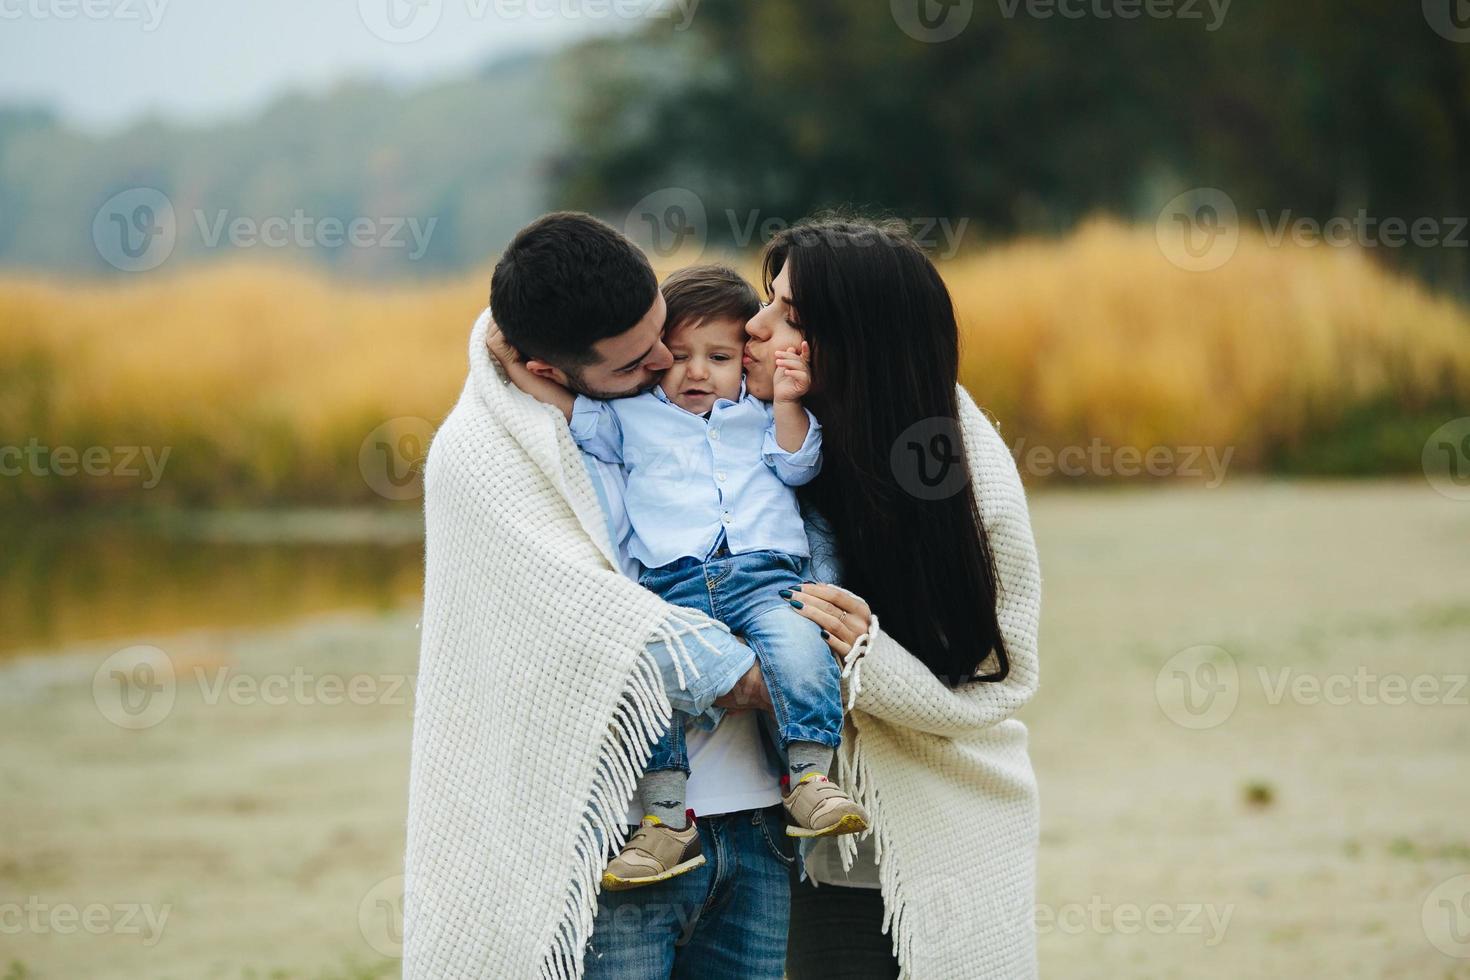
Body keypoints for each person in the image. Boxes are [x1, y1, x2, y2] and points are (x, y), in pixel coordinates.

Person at [490, 264, 869, 892]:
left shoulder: (760, 411)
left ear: (746, 361)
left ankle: (810, 778)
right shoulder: (633, 418)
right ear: (653, 360)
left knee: (800, 648)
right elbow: (567, 406)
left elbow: (801, 468)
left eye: (718, 356)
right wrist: (512, 362)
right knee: (647, 679)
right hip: (674, 585)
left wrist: (788, 401)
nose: (697, 372)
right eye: (680, 357)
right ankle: (665, 819)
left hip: (765, 575)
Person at [737, 217, 1044, 979]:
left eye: (792, 318)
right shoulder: (751, 432)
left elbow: (999, 678)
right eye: (768, 301)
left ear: (857, 343)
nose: (757, 324)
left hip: (943, 833)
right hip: (802, 851)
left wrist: (869, 658)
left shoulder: (960, 471)